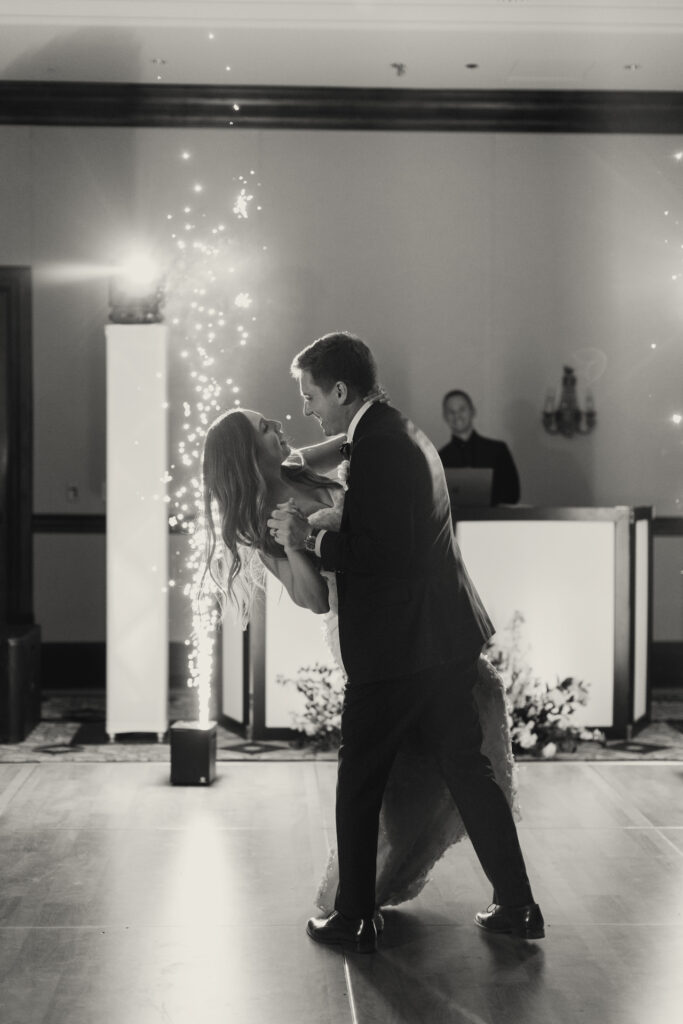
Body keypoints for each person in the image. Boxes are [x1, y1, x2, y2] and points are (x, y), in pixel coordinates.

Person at [199, 365, 533, 951]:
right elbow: (312, 598)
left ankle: (359, 915)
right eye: (265, 428)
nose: (281, 422)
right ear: (248, 455)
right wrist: (292, 544)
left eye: (280, 416)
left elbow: (357, 431)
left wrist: (353, 397)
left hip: (407, 637)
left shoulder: (302, 462)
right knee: (428, 773)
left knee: (382, 778)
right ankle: (514, 903)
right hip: (377, 636)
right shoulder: (261, 521)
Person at [438, 389, 520, 505]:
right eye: (451, 412)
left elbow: (513, 495)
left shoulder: (498, 450)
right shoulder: (439, 458)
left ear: (473, 411)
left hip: (491, 521)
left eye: (462, 409)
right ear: (445, 416)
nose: (457, 415)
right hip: (456, 521)